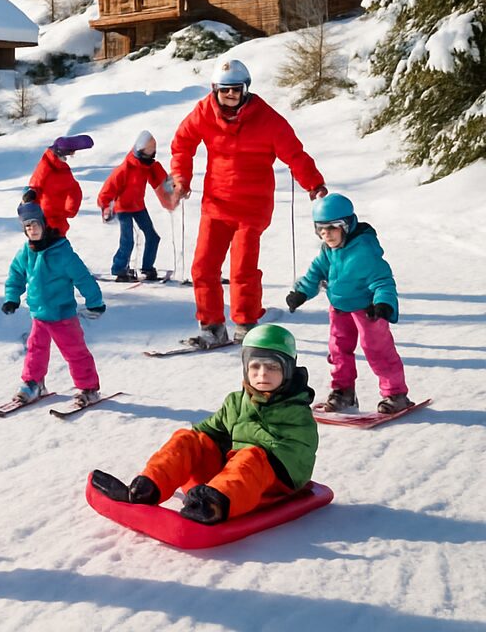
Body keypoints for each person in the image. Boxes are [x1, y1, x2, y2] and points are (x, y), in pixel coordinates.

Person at [89, 325, 317, 525]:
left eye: (273, 367)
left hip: (268, 488)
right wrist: (199, 449)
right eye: (255, 366)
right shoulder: (237, 401)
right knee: (188, 439)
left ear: (288, 370)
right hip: (230, 480)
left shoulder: (296, 413)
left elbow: (298, 464)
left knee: (251, 456)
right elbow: (208, 431)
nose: (262, 374)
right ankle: (147, 488)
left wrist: (248, 448)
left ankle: (212, 506)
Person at [170, 59, 326, 347]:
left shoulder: (267, 119)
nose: (230, 95)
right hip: (215, 203)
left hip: (252, 206)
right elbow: (182, 144)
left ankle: (245, 323)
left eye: (236, 90)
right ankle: (212, 326)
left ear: (246, 89)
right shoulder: (204, 112)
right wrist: (181, 179)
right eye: (225, 90)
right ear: (215, 89)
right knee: (202, 267)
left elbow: (295, 154)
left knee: (242, 270)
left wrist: (314, 184)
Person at [287, 193, 412, 414]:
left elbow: (382, 280)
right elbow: (315, 274)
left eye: (332, 228)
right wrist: (301, 293)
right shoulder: (328, 251)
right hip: (339, 309)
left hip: (368, 310)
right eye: (320, 229)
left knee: (377, 349)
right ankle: (343, 391)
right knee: (338, 350)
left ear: (346, 225)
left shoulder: (364, 251)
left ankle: (395, 393)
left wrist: (383, 303)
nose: (326, 234)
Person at [1, 202, 106, 408]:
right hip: (39, 314)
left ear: (44, 224)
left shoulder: (62, 253)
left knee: (74, 351)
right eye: (27, 226)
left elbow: (83, 278)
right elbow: (16, 274)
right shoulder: (26, 252)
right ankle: (33, 383)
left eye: (35, 224)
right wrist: (12, 297)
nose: (32, 230)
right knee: (35, 350)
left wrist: (95, 301)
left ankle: (89, 388)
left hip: (62, 315)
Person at [97, 131, 175, 281]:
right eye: (150, 148)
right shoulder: (124, 169)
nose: (153, 151)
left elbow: (163, 182)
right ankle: (119, 269)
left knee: (153, 237)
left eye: (154, 148)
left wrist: (175, 188)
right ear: (140, 149)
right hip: (122, 208)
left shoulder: (149, 166)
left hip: (138, 206)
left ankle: (147, 267)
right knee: (128, 240)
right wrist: (106, 207)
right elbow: (107, 190)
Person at [23, 135, 92, 236]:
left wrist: (70, 210)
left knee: (55, 245)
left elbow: (74, 189)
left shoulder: (62, 169)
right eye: (71, 153)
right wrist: (32, 191)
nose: (72, 155)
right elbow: (37, 179)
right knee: (45, 246)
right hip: (44, 218)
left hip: (56, 218)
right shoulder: (48, 165)